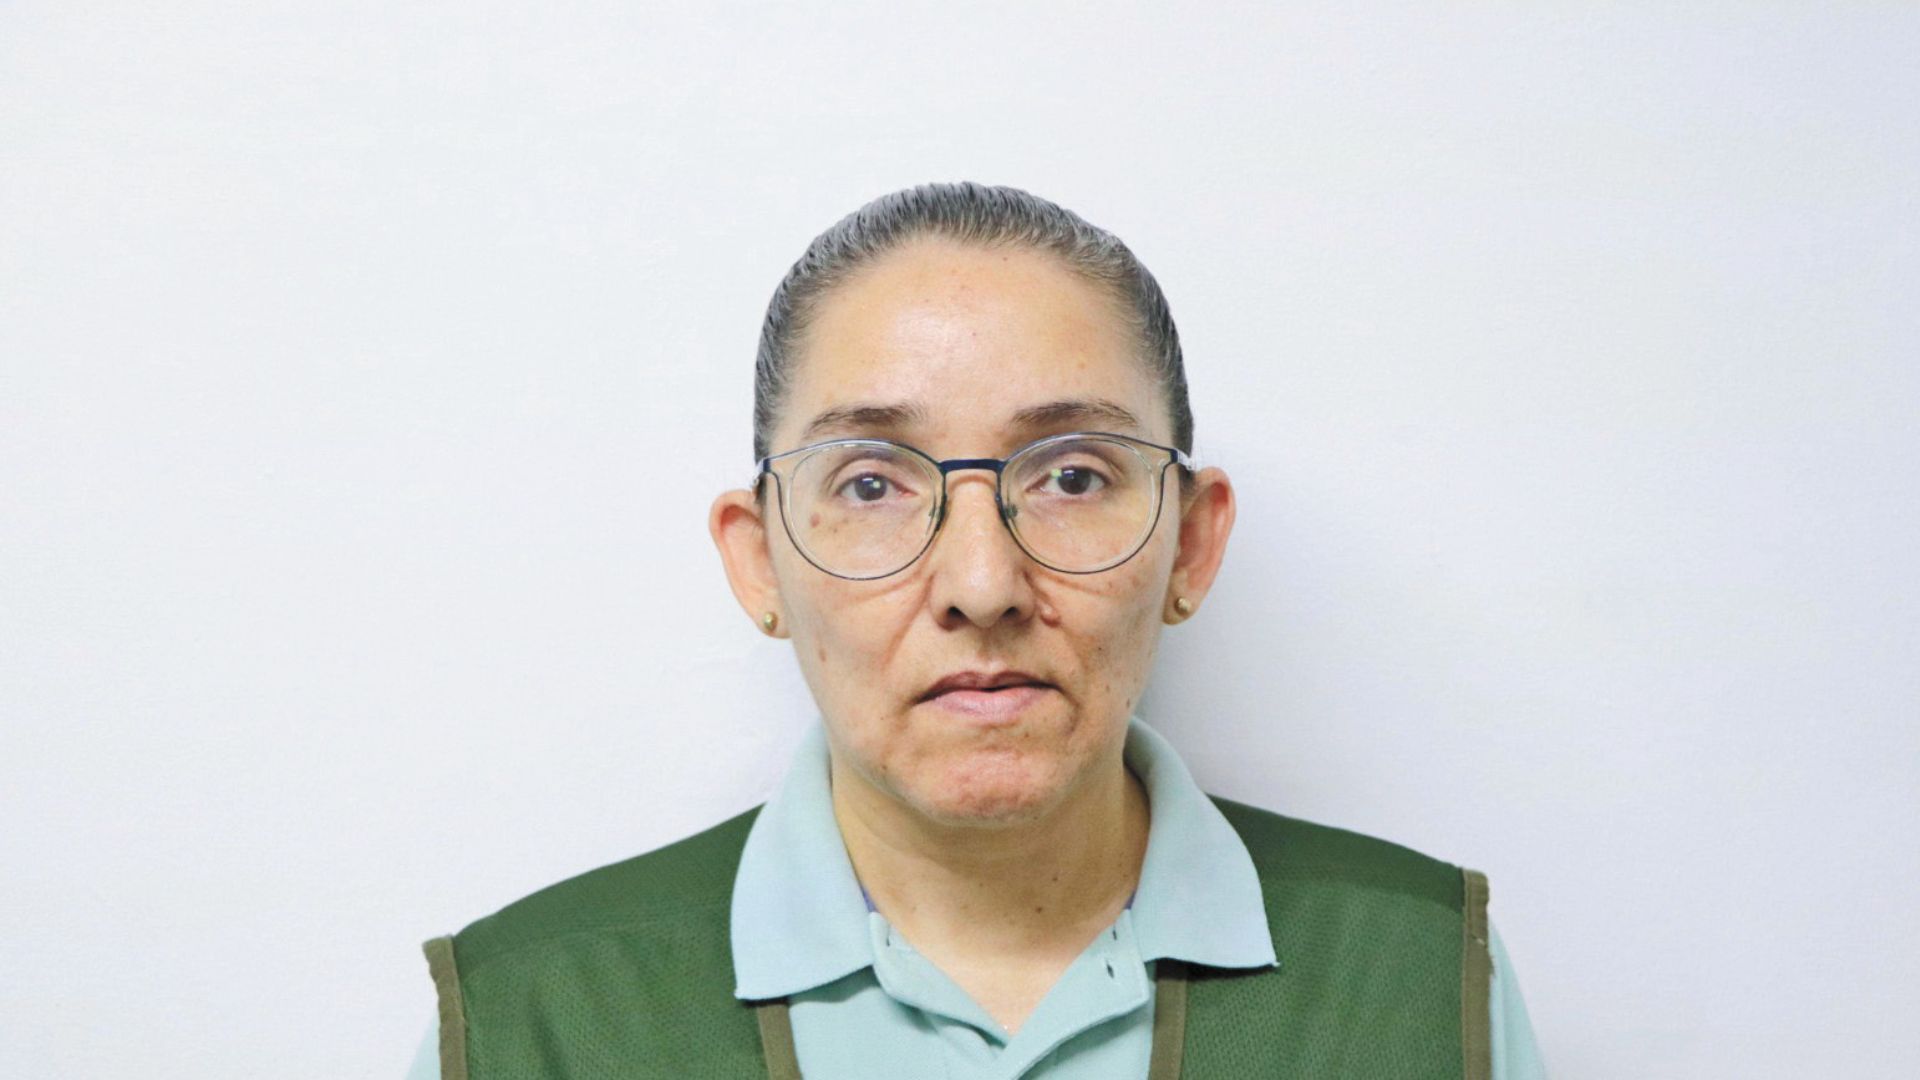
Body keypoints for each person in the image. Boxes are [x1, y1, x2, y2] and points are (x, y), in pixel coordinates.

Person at [409, 182, 1547, 1078]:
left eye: (1072, 475)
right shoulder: (533, 1019)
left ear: (1191, 545)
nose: (982, 583)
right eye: (870, 484)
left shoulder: (1421, 977)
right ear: (759, 562)